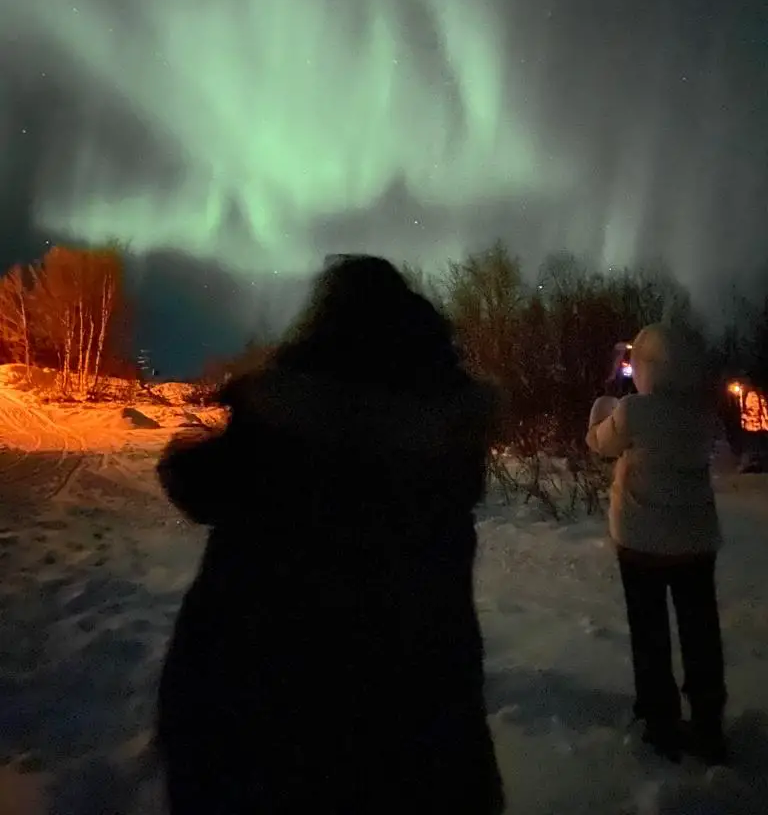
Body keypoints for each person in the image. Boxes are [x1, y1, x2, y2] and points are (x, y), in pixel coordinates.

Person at [154, 254, 505, 814]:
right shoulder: (446, 447)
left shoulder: (279, 421)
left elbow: (199, 486)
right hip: (415, 732)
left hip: (257, 721)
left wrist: (189, 448)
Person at [586, 323, 728, 766]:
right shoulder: (703, 414)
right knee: (700, 631)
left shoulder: (633, 411)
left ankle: (660, 721)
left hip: (641, 543)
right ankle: (708, 723)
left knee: (650, 634)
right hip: (695, 543)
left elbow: (599, 444)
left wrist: (605, 401)